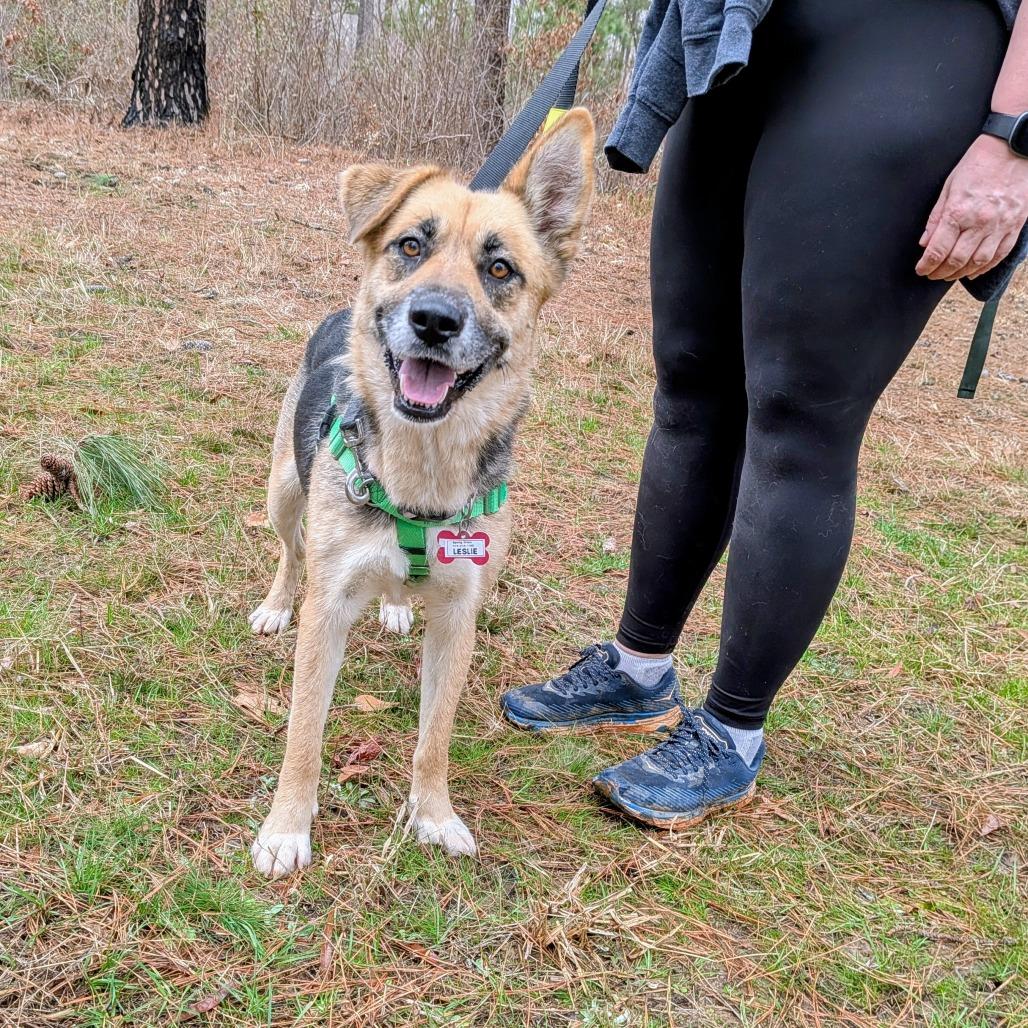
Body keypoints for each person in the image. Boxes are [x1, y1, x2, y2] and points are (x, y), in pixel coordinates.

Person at [500, 0, 1028, 828]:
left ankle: (733, 732)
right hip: (735, 38)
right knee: (689, 380)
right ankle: (639, 672)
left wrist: (1012, 139)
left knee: (798, 411)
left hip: (912, 45)